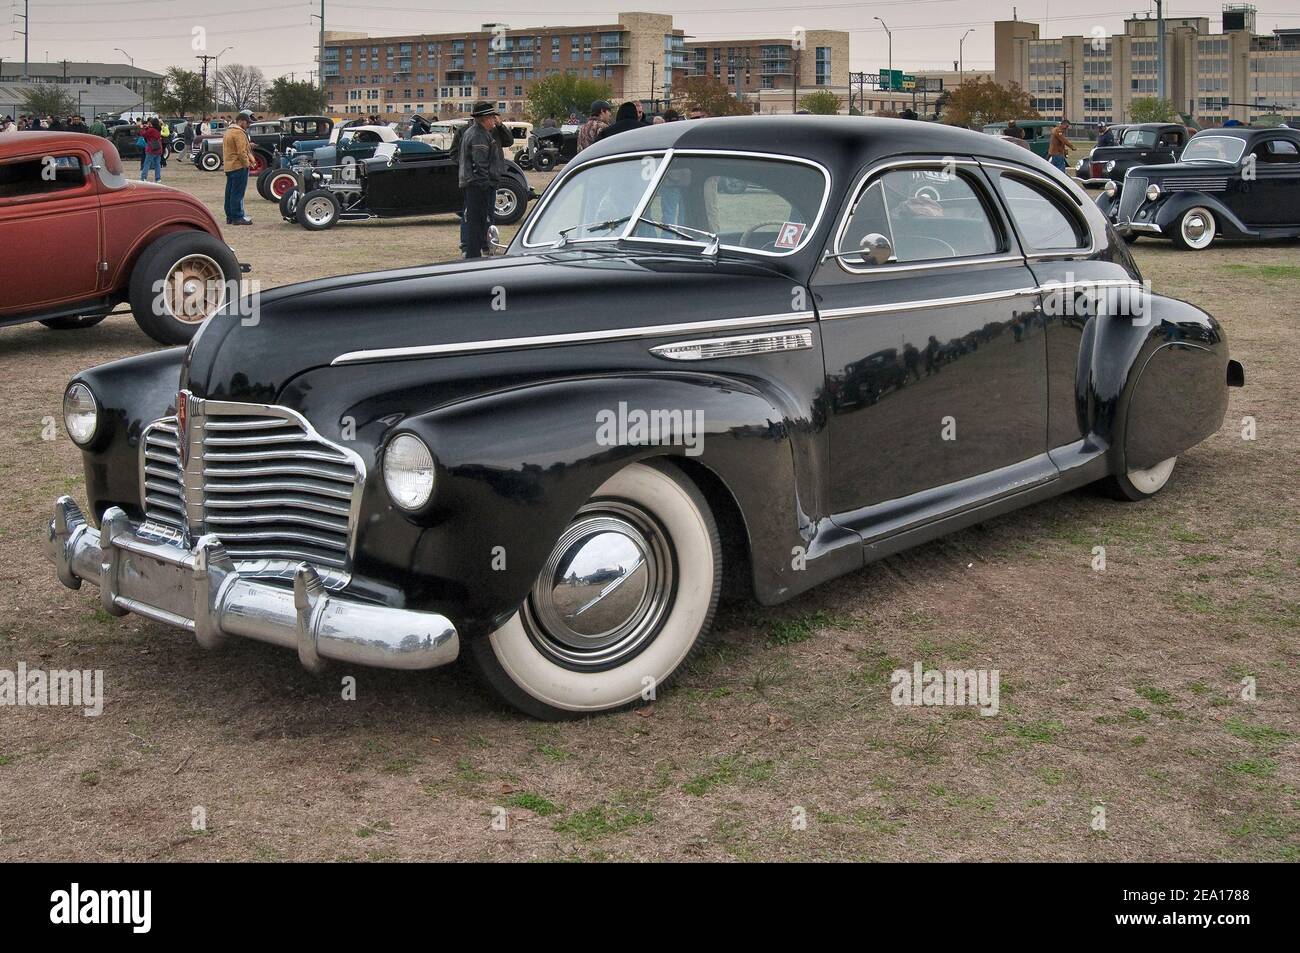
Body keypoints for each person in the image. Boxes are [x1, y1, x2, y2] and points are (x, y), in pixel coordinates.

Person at [458, 100, 513, 259]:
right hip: (479, 186)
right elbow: (480, 164)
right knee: (477, 222)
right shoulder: (479, 135)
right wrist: (484, 184)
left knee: (477, 222)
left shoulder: (475, 132)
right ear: (484, 118)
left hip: (476, 184)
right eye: (491, 117)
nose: (494, 121)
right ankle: (473, 255)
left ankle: (474, 252)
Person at [222, 109, 256, 226]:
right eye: (248, 123)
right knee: (238, 193)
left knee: (230, 193)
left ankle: (230, 216)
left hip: (229, 166)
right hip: (239, 166)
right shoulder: (239, 133)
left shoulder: (229, 131)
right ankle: (238, 217)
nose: (248, 125)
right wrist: (247, 164)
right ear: (241, 121)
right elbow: (241, 152)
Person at [140, 117, 164, 182]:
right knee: (157, 164)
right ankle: (158, 178)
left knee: (147, 164)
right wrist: (147, 128)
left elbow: (143, 134)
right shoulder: (158, 129)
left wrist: (142, 128)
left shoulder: (151, 130)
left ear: (152, 123)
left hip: (151, 149)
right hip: (158, 148)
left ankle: (143, 177)